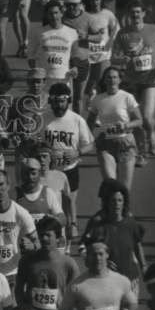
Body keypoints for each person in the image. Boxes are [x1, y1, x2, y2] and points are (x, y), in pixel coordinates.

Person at [111, 0, 155, 165]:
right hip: (130, 82)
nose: (135, 15)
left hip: (150, 80)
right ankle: (141, 153)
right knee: (135, 120)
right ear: (128, 15)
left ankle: (151, 136)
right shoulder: (122, 33)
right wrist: (122, 60)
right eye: (132, 12)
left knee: (146, 117)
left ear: (144, 14)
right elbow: (113, 57)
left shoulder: (154, 29)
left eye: (138, 12)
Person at [61, 239, 138, 310]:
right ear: (88, 257)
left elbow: (133, 303)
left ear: (107, 255)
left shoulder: (121, 280)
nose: (97, 258)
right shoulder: (77, 285)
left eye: (100, 254)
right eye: (93, 254)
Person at [14, 217, 78, 310]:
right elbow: (19, 288)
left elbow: (77, 292)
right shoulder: (27, 261)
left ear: (58, 238)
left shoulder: (68, 263)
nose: (44, 239)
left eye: (48, 235)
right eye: (41, 235)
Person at [39, 82, 93, 240]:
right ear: (50, 101)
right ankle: (54, 235)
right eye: (55, 101)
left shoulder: (77, 120)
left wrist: (77, 152)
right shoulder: (43, 119)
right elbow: (35, 141)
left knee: (70, 201)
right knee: (52, 204)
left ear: (68, 101)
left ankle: (72, 225)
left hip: (70, 168)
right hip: (50, 170)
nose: (59, 105)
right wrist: (44, 150)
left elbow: (90, 144)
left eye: (62, 101)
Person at [81, 178, 147, 293]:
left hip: (130, 280)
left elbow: (137, 245)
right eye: (113, 201)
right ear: (107, 203)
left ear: (124, 202)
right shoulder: (98, 224)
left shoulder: (130, 223)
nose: (117, 204)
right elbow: (84, 248)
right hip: (107, 281)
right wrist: (100, 262)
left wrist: (144, 267)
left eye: (120, 200)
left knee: (130, 305)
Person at [86, 67, 144, 189]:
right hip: (105, 144)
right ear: (104, 80)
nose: (112, 80)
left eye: (114, 77)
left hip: (125, 143)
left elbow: (139, 120)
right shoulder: (98, 99)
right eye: (108, 77)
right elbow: (90, 121)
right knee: (111, 186)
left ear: (119, 80)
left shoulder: (127, 97)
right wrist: (87, 140)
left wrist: (126, 126)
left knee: (124, 189)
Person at [79, 0, 121, 112]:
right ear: (88, 2)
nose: (95, 2)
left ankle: (101, 109)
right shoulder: (84, 15)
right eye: (92, 0)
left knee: (103, 81)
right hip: (87, 54)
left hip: (104, 54)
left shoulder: (107, 14)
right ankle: (90, 101)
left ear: (101, 0)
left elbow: (116, 29)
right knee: (89, 83)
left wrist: (110, 42)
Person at [28, 0, 79, 84]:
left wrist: (75, 67)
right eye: (50, 14)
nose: (54, 16)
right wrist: (36, 75)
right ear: (46, 15)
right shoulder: (38, 32)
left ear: (61, 13)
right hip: (44, 79)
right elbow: (30, 56)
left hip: (64, 78)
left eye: (56, 13)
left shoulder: (72, 32)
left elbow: (75, 54)